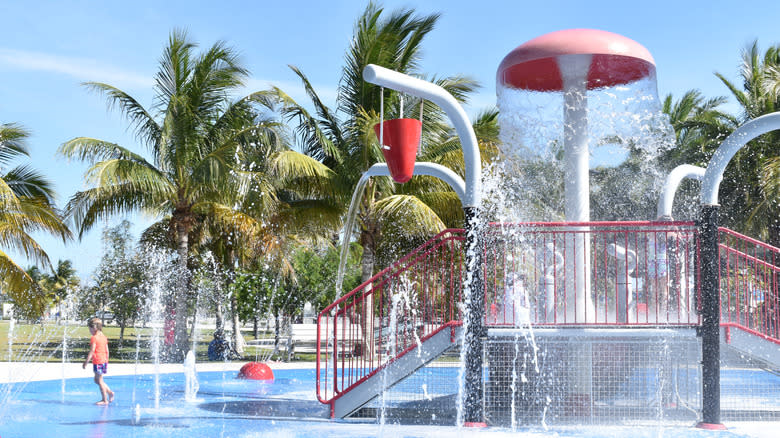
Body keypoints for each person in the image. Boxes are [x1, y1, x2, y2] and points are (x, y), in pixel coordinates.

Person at [82, 317, 114, 405]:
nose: (90, 331)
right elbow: (107, 350)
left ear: (94, 328)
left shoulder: (94, 338)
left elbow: (92, 351)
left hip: (98, 361)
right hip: (103, 360)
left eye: (90, 329)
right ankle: (110, 393)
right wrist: (106, 360)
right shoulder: (103, 337)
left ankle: (105, 400)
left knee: (99, 381)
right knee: (97, 380)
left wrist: (86, 362)